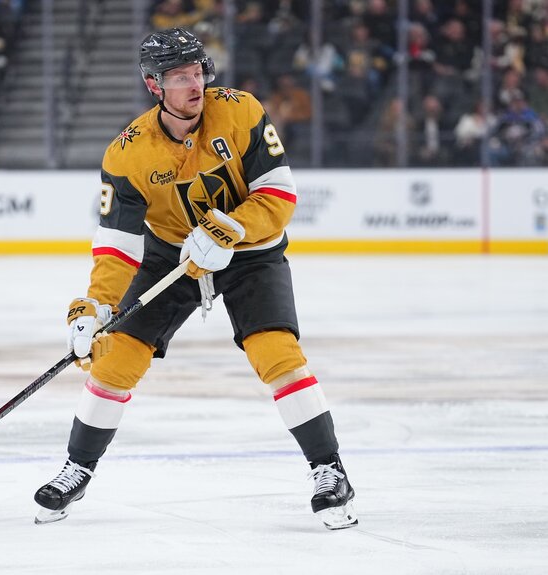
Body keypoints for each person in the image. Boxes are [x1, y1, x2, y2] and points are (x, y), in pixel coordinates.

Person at [33, 27, 357, 531]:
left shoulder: (242, 109)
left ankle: (329, 470)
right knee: (115, 358)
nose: (195, 85)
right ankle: (77, 468)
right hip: (172, 261)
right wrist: (96, 307)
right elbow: (117, 243)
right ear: (153, 85)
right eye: (180, 76)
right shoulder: (127, 153)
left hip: (252, 253)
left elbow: (280, 193)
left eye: (198, 72)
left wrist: (232, 227)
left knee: (276, 353)